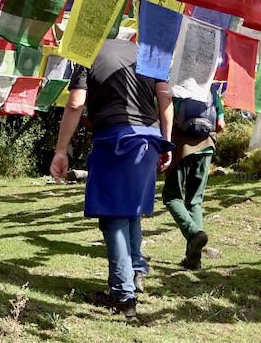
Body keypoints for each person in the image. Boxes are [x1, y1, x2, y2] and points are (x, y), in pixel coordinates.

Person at [50, 38, 174, 318]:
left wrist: (61, 150)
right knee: (131, 212)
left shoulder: (87, 51)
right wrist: (166, 142)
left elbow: (75, 103)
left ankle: (122, 295)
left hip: (117, 140)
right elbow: (165, 99)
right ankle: (136, 270)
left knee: (113, 218)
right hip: (149, 139)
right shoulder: (148, 51)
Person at [162, 88, 224, 270]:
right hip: (206, 148)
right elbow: (220, 124)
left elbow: (166, 116)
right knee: (195, 201)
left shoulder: (176, 86)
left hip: (181, 147)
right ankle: (193, 260)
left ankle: (193, 233)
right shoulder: (211, 88)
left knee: (172, 196)